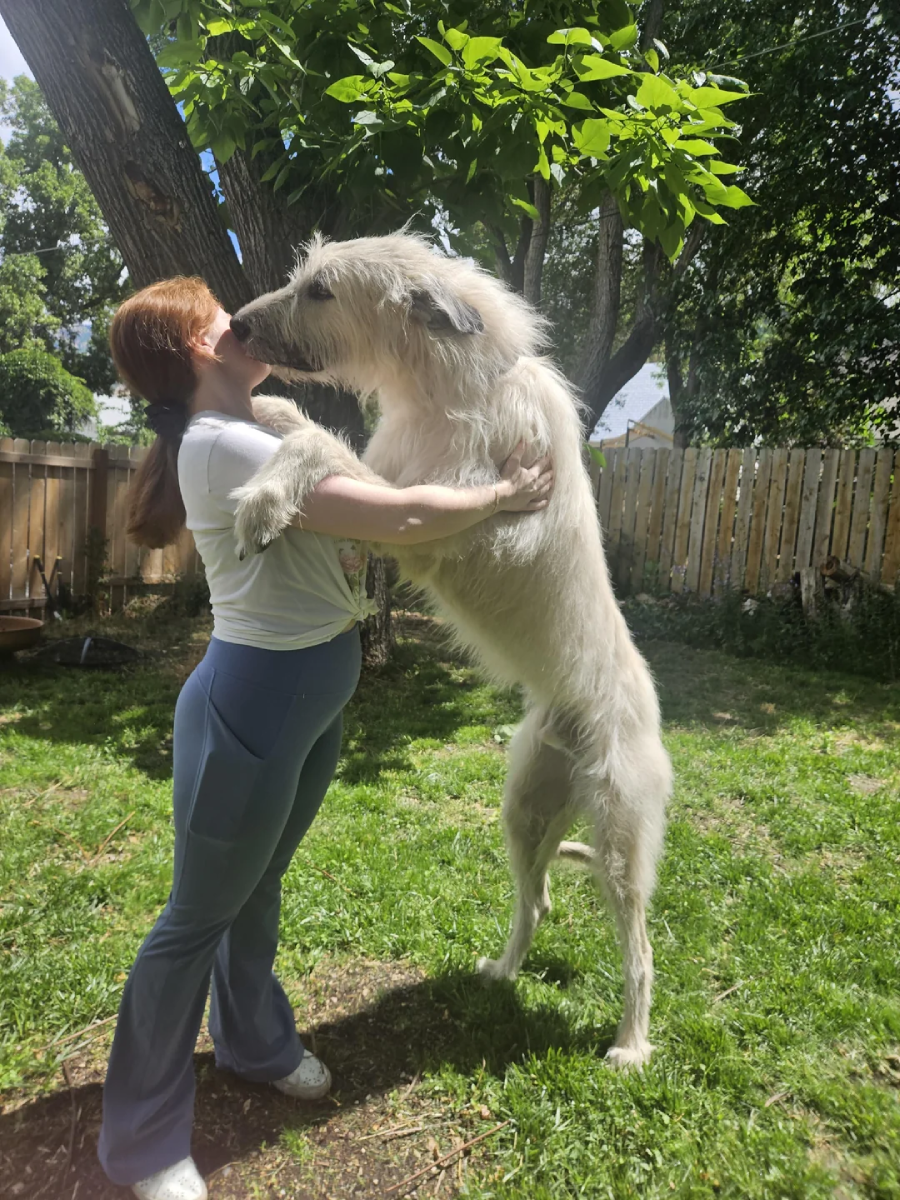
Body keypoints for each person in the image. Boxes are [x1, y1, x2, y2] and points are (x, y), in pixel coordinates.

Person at [97, 276, 554, 1200]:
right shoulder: (225, 447)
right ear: (196, 348)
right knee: (193, 919)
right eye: (229, 317)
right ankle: (142, 1143)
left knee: (255, 889)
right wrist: (506, 492)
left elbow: (330, 496)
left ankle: (254, 1045)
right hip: (253, 704)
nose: (253, 320)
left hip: (302, 700)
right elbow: (404, 519)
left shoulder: (255, 426)